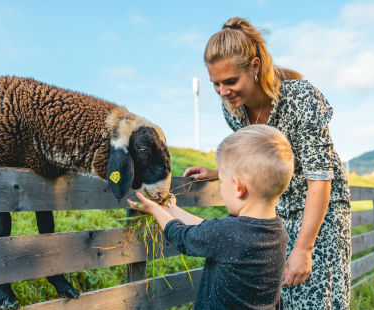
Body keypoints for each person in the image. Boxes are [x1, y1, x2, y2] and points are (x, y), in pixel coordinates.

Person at [183, 17, 351, 309]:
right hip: (274, 209)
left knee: (314, 298)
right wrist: (217, 173)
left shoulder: (301, 98)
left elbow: (320, 178)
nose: (223, 92)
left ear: (255, 67)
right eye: (216, 84)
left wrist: (304, 247)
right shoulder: (233, 111)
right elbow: (252, 160)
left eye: (231, 81)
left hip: (318, 210)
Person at [128, 125, 293, 310]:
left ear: (239, 188)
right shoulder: (278, 231)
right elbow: (210, 229)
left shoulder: (228, 234)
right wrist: (172, 209)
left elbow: (183, 237)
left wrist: (156, 210)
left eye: (222, 181)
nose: (222, 187)